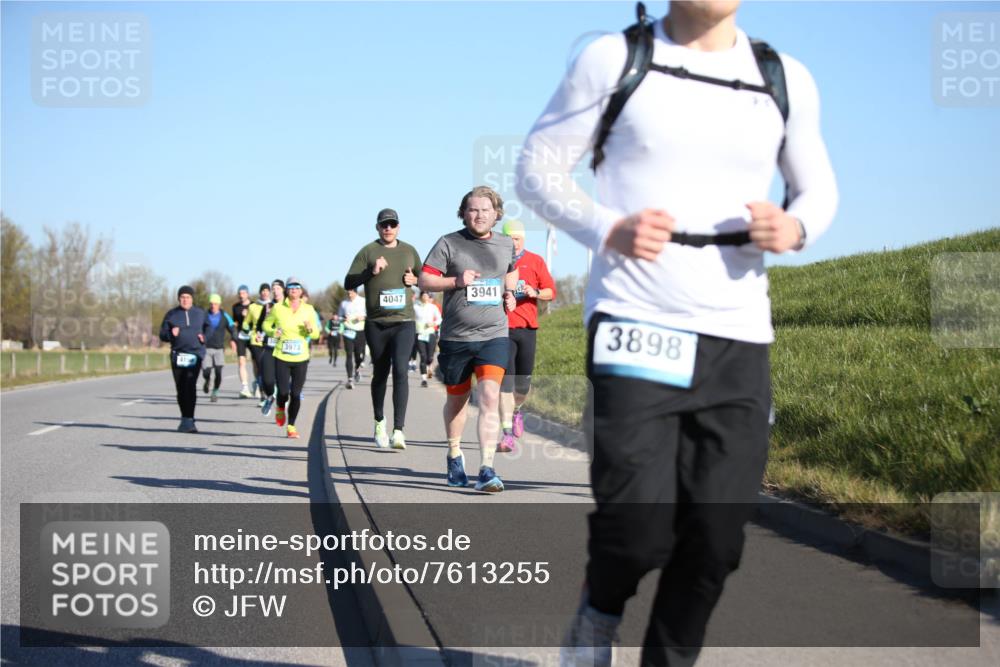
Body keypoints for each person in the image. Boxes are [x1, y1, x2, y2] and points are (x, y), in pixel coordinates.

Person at [516, 1, 838, 664]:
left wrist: (796, 226)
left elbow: (818, 187)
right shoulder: (614, 59)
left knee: (717, 538)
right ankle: (597, 615)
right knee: (636, 528)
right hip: (635, 319)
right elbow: (536, 169)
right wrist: (609, 226)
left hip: (737, 335)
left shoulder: (785, 77)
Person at [419, 186, 518, 492]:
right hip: (456, 338)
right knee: (457, 401)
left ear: (496, 214)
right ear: (463, 213)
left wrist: (510, 292)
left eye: (485, 210)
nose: (479, 215)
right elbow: (425, 279)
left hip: (494, 335)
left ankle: (487, 469)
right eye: (472, 210)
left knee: (489, 397)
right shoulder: (448, 243)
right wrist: (455, 281)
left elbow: (511, 270)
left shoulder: (505, 244)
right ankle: (454, 454)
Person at [345, 208, 422, 450]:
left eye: (392, 224)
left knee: (401, 370)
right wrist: (371, 271)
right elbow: (348, 282)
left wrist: (416, 281)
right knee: (380, 373)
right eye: (384, 225)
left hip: (404, 322)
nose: (388, 228)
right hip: (376, 324)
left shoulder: (409, 251)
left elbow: (425, 278)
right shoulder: (368, 251)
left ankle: (399, 430)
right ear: (377, 227)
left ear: (398, 227)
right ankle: (379, 421)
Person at [497, 219, 556, 453]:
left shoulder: (535, 261)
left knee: (522, 385)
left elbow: (551, 291)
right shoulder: (497, 260)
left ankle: (517, 411)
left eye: (517, 238)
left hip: (528, 328)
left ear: (523, 239)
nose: (513, 243)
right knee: (506, 382)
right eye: (509, 238)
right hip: (502, 329)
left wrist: (536, 292)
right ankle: (506, 434)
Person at [263, 277, 320, 439]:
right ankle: (280, 407)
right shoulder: (278, 308)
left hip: (301, 357)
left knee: (295, 394)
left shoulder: (309, 309)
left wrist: (310, 329)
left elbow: (316, 333)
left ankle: (291, 426)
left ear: (301, 291)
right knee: (283, 391)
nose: (294, 290)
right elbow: (266, 325)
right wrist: (273, 332)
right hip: (282, 355)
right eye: (291, 287)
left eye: (297, 288)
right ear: (287, 290)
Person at [159, 285, 210, 433]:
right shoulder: (172, 314)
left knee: (190, 385)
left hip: (195, 354)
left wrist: (204, 337)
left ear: (192, 299)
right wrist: (171, 334)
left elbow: (209, 328)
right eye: (182, 297)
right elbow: (162, 334)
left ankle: (189, 419)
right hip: (178, 354)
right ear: (178, 299)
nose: (185, 300)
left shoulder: (200, 313)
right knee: (181, 388)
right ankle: (185, 417)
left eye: (188, 297)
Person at [244, 281, 281, 415]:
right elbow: (259, 324)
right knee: (263, 371)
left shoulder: (286, 307)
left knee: (280, 376)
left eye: (278, 288)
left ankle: (279, 398)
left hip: (281, 345)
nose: (273, 291)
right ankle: (265, 392)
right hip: (261, 342)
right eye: (273, 289)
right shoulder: (264, 307)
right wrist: (257, 334)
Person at [201, 294, 238, 402]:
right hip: (206, 347)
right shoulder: (204, 315)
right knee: (206, 372)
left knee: (218, 372)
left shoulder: (224, 315)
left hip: (219, 348)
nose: (213, 306)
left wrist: (233, 340)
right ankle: (207, 381)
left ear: (219, 304)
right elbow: (197, 327)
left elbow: (233, 329)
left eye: (215, 304)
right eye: (211, 304)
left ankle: (215, 391)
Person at [338, 288, 367, 389]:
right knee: (349, 354)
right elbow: (339, 317)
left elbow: (370, 314)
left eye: (351, 293)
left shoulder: (363, 301)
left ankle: (357, 370)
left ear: (355, 292)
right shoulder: (344, 303)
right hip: (348, 331)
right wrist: (343, 318)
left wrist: (362, 317)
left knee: (359, 355)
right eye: (348, 293)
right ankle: (350, 379)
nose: (349, 295)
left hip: (360, 331)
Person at [413, 290, 442, 388]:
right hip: (419, 334)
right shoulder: (415, 307)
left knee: (430, 357)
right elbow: (411, 318)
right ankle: (424, 379)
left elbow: (439, 319)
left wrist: (433, 323)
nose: (425, 297)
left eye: (426, 296)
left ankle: (429, 367)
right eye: (423, 295)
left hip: (430, 334)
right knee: (423, 356)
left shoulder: (432, 307)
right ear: (420, 297)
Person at [231, 285, 255, 398]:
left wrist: (248, 315)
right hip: (241, 337)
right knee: (241, 361)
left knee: (256, 363)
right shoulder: (235, 307)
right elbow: (235, 323)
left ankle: (258, 384)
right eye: (239, 293)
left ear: (247, 294)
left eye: (243, 293)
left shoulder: (254, 305)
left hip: (253, 336)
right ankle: (245, 387)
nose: (241, 295)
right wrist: (232, 338)